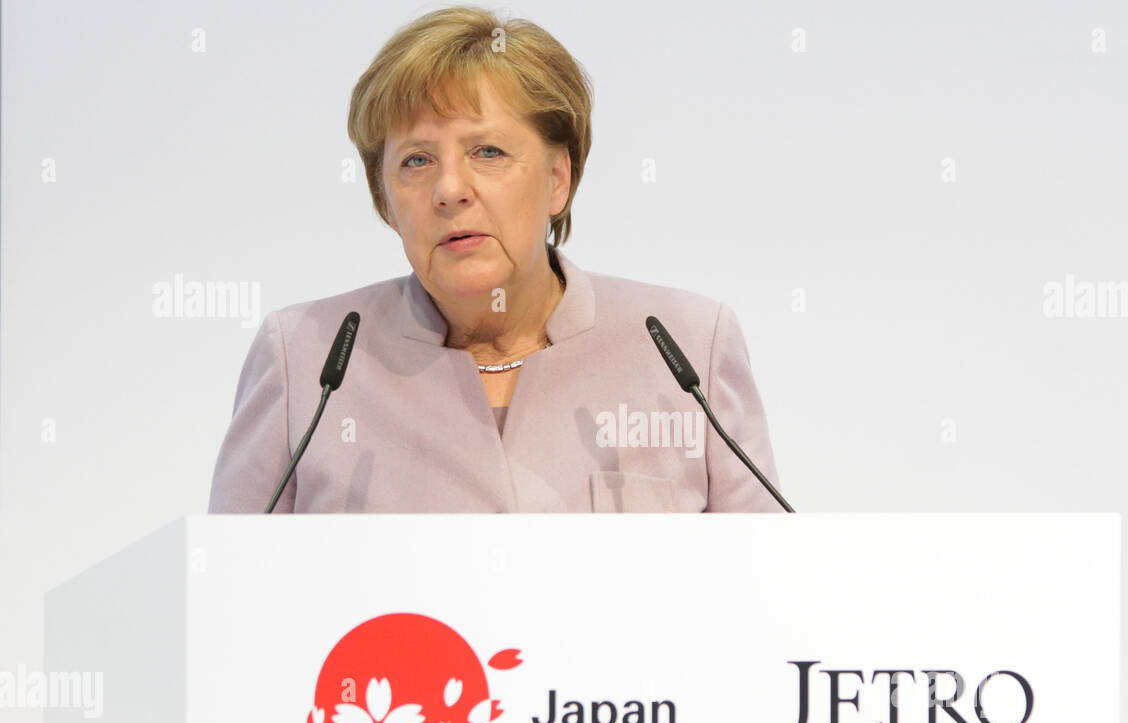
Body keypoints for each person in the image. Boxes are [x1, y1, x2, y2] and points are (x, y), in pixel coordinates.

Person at [207, 5, 784, 513]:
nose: (449, 189)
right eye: (416, 161)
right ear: (384, 200)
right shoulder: (306, 359)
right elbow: (226, 601)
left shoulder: (686, 349)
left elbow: (773, 590)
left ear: (558, 180)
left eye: (488, 151)